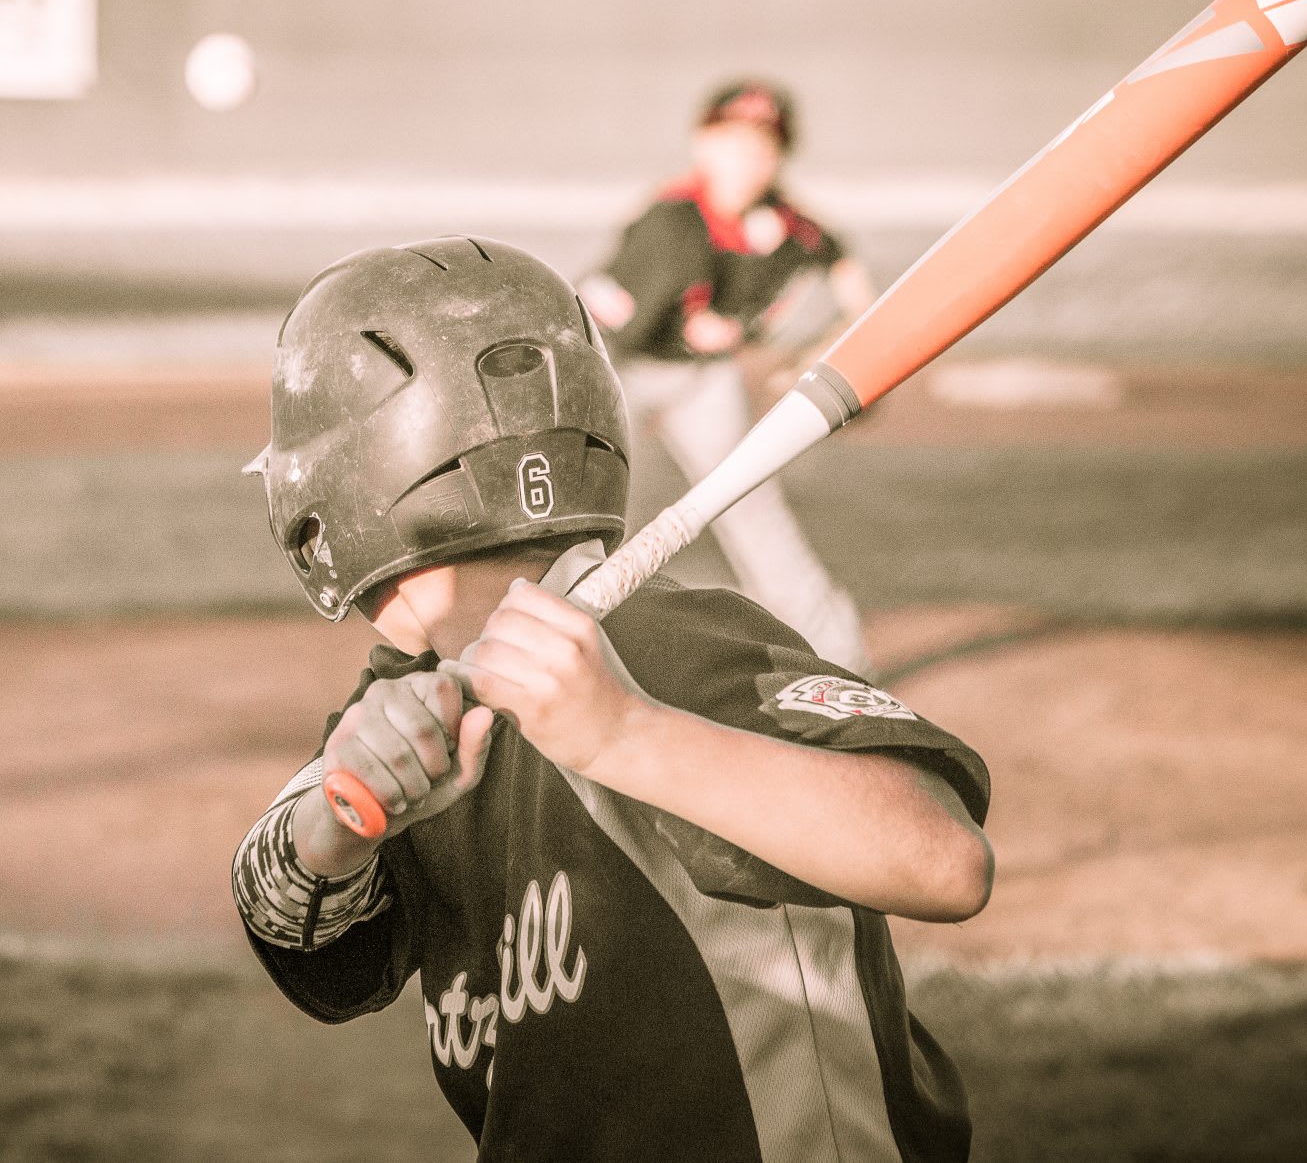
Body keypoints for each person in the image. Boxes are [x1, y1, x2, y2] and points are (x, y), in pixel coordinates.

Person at [234, 236, 993, 1161]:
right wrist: (336, 825)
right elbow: (309, 945)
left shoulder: (669, 644)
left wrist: (625, 733)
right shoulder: (409, 693)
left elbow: (946, 861)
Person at [578, 79, 876, 671]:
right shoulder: (669, 225)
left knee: (752, 504)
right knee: (584, 512)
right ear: (702, 145)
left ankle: (845, 664)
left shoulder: (785, 227)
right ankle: (553, 648)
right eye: (734, 142)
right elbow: (600, 322)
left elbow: (840, 261)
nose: (749, 160)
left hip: (703, 383)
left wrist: (843, 340)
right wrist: (706, 325)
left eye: (764, 147)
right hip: (616, 374)